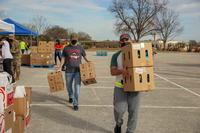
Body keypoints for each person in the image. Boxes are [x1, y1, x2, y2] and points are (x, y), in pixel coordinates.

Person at [110, 34, 140, 133]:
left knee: (133, 111)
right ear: (120, 42)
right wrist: (122, 71)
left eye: (126, 39)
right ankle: (118, 124)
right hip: (120, 86)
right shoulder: (116, 56)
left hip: (134, 87)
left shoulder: (137, 53)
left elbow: (146, 61)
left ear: (130, 41)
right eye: (122, 40)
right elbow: (112, 72)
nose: (124, 41)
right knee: (119, 110)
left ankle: (130, 131)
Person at [58, 33, 90, 111]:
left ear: (77, 39)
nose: (74, 41)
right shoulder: (66, 48)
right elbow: (63, 58)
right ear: (70, 39)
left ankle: (75, 103)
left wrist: (89, 62)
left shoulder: (80, 48)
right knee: (69, 86)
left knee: (77, 88)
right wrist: (60, 67)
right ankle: (71, 96)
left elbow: (85, 57)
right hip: (68, 71)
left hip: (78, 71)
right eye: (73, 39)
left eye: (75, 39)